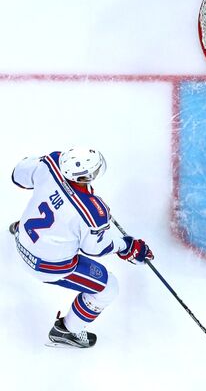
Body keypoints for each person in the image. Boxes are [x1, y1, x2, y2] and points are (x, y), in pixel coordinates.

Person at [9, 148, 153, 348]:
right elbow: (95, 248)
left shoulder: (51, 163)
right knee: (108, 287)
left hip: (22, 238)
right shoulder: (92, 213)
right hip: (43, 265)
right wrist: (127, 246)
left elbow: (18, 175)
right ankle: (68, 331)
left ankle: (24, 231)